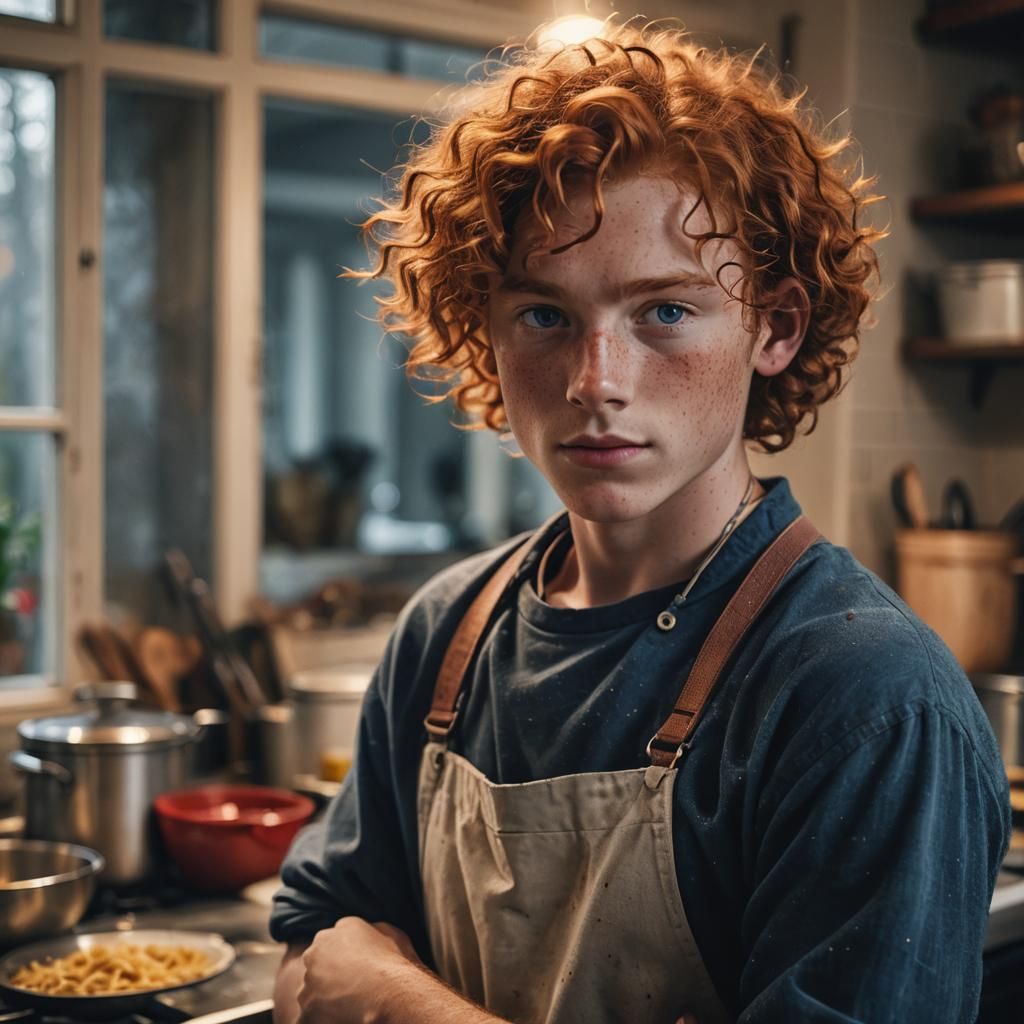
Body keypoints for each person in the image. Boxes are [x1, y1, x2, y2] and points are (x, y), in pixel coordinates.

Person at [269, 17, 1011, 1024]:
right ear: (480, 331)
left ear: (774, 326)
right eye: (544, 315)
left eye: (662, 311)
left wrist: (400, 1002)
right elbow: (314, 949)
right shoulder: (443, 634)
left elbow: (358, 983)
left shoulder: (867, 703)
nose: (595, 382)